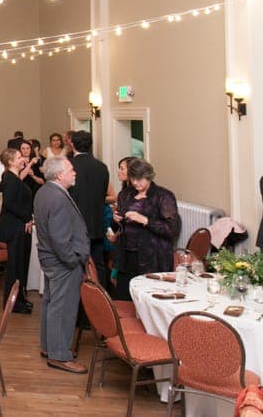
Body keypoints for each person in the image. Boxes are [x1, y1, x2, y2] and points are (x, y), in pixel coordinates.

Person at [34, 156, 89, 374]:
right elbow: (59, 238)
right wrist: (73, 260)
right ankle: (59, 355)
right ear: (59, 175)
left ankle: (49, 346)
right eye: (71, 170)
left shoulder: (45, 191)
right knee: (63, 307)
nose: (74, 172)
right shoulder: (57, 197)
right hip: (62, 262)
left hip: (50, 259)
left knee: (51, 303)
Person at [107, 158, 180, 301]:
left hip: (152, 258)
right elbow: (118, 227)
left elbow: (172, 229)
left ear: (149, 176)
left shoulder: (163, 196)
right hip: (126, 255)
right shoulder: (125, 195)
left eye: (139, 179)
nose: (135, 183)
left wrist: (145, 220)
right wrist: (115, 220)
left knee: (148, 299)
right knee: (125, 297)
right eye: (133, 178)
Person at [68, 130, 111, 289]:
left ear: (72, 144)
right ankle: (101, 300)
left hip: (75, 225)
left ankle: (80, 302)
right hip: (96, 222)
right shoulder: (101, 167)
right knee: (98, 265)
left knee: (76, 266)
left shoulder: (69, 166)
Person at [0, 148, 34, 313]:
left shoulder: (13, 177)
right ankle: (13, 303)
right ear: (11, 161)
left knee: (19, 266)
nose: (22, 159)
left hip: (18, 226)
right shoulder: (11, 179)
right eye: (19, 157)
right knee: (15, 267)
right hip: (15, 228)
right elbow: (10, 204)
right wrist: (27, 218)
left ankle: (19, 299)